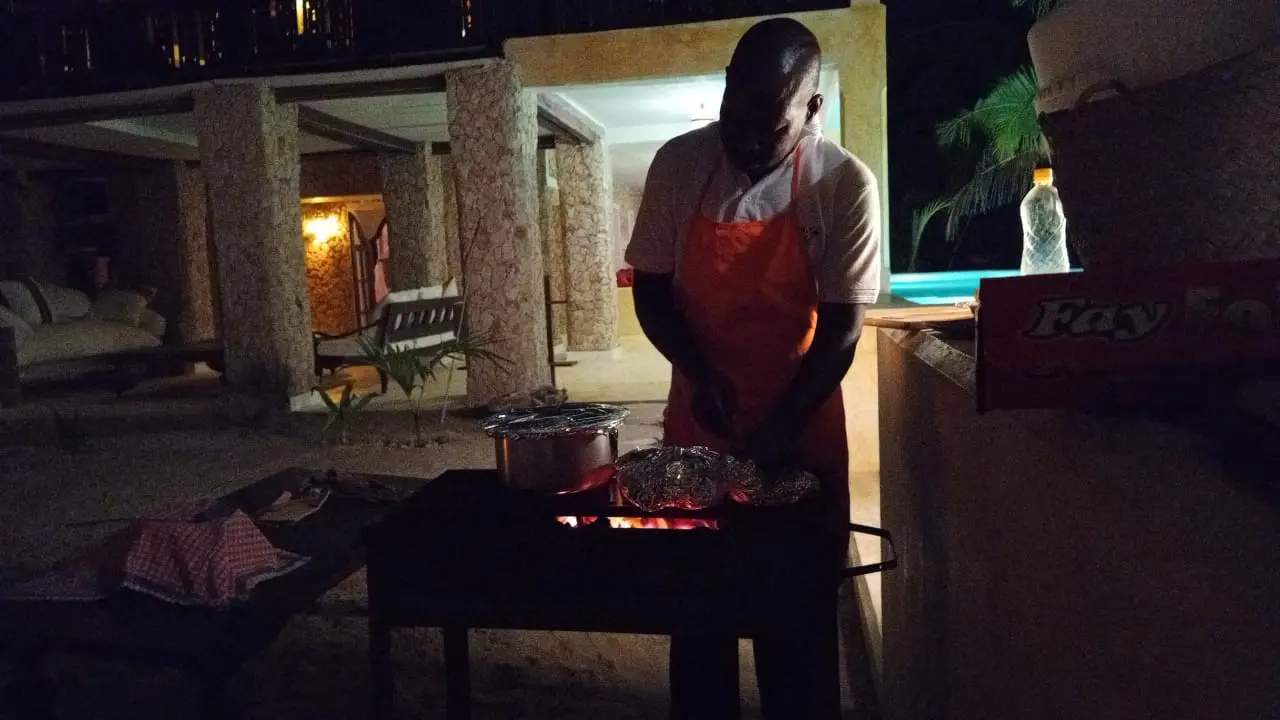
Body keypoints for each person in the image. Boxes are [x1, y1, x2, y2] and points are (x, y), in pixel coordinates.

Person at [624, 17, 881, 720]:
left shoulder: (843, 185)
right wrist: (698, 371)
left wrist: (780, 431)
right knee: (699, 620)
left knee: (795, 628)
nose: (742, 139)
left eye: (767, 128)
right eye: (732, 115)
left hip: (802, 426)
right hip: (699, 421)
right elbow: (651, 289)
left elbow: (841, 330)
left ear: (812, 108)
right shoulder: (679, 166)